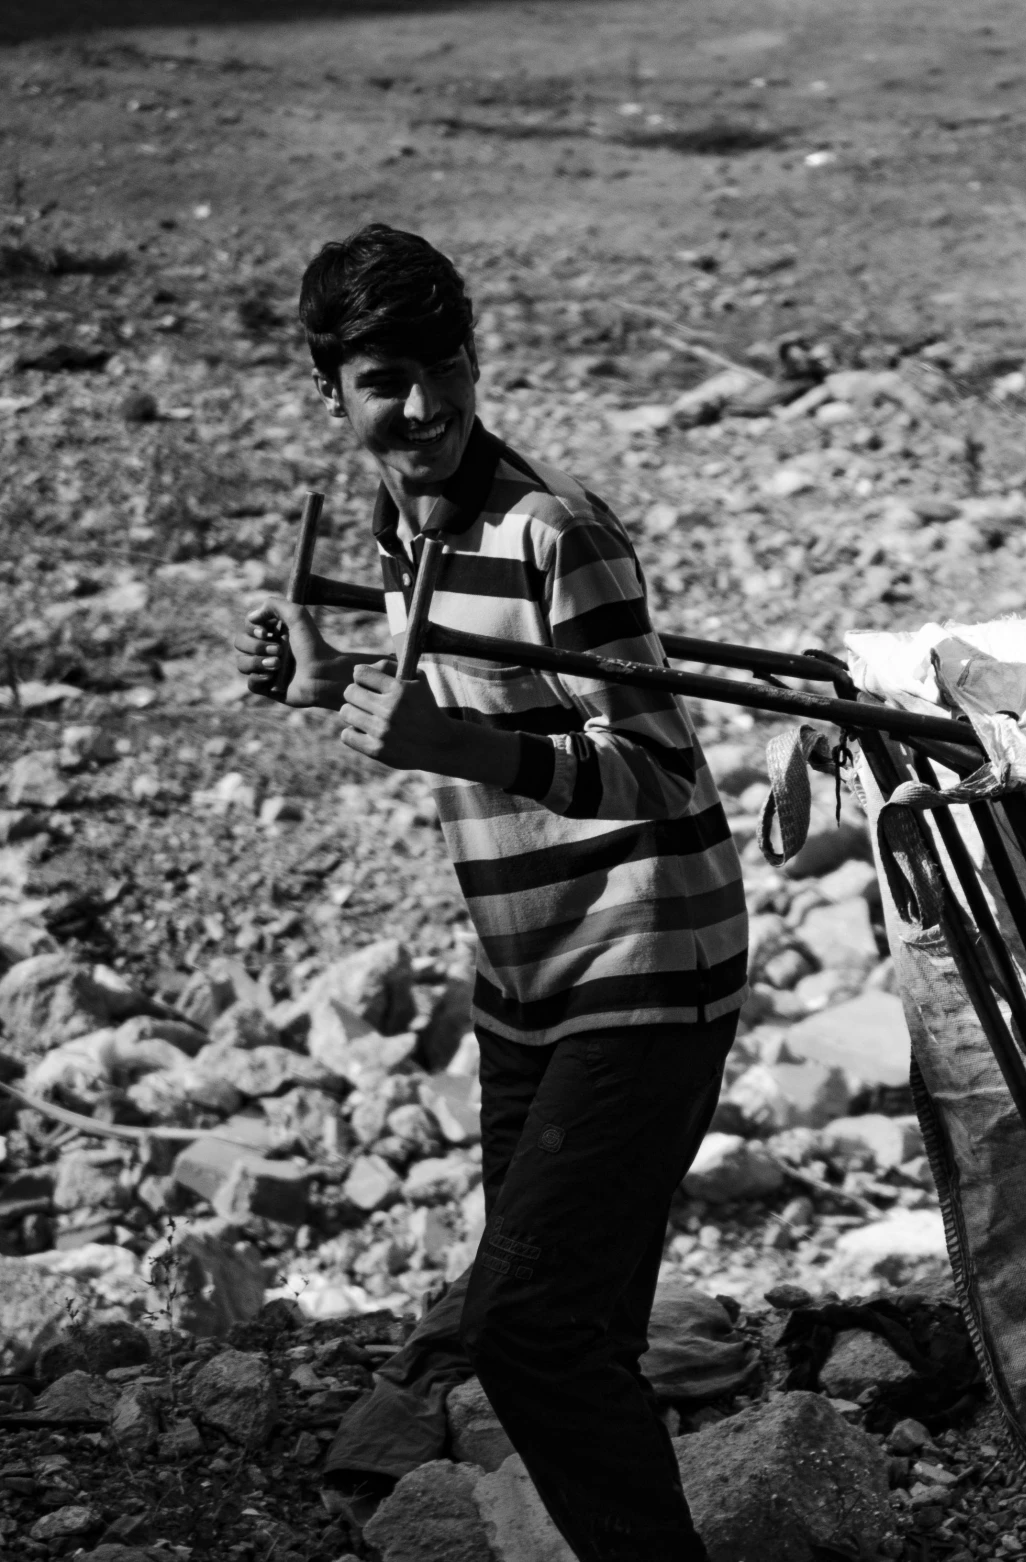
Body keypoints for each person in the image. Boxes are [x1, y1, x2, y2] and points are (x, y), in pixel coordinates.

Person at [231, 224, 747, 1562]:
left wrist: (447, 741)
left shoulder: (554, 530)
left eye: (441, 365)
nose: (423, 405)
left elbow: (652, 766)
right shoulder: (412, 524)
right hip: (527, 974)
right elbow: (450, 693)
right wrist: (326, 675)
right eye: (384, 380)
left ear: (476, 356)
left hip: (647, 955)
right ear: (332, 395)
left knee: (521, 1329)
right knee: (574, 1325)